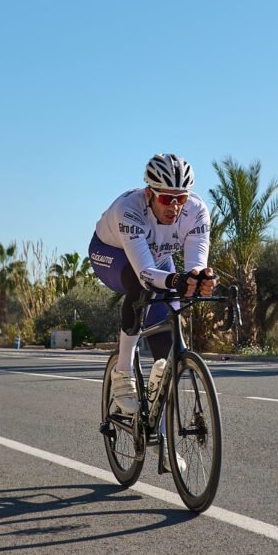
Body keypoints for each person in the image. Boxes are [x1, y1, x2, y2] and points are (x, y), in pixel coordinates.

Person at [89, 153, 217, 415]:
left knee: (165, 355)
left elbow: (195, 265)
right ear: (149, 193)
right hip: (112, 255)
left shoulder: (197, 211)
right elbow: (146, 273)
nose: (175, 206)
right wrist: (175, 280)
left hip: (159, 259)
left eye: (180, 198)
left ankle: (161, 440)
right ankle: (123, 372)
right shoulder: (130, 209)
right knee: (140, 285)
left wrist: (200, 279)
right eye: (166, 198)